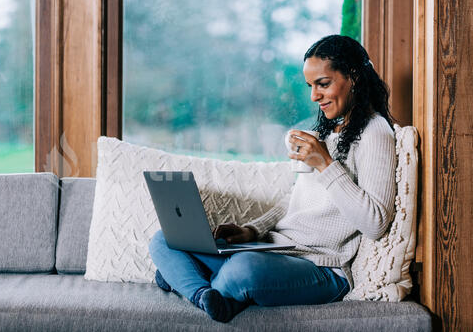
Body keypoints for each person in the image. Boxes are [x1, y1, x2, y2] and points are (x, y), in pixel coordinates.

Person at [148, 35, 397, 323]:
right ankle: (206, 295)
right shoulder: (330, 133)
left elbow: (376, 223)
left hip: (322, 266)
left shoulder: (375, 132)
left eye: (323, 84)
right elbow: (296, 201)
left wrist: (325, 165)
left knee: (244, 269)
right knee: (166, 239)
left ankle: (187, 282)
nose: (314, 96)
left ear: (353, 76)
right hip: (279, 250)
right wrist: (251, 231)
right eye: (310, 86)